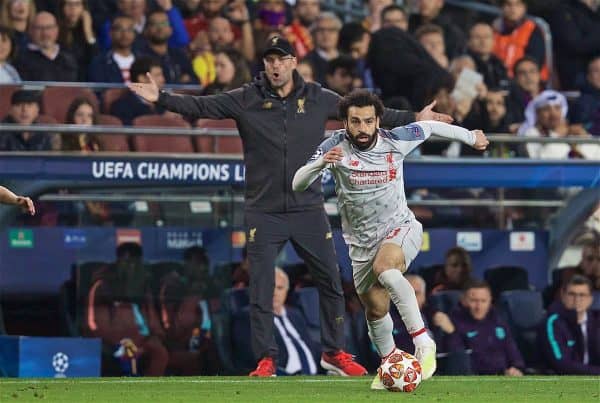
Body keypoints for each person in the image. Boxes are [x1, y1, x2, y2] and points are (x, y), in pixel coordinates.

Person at [128, 36, 452, 378]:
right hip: (263, 210)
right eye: (270, 60)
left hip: (307, 207)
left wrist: (415, 117)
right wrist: (161, 98)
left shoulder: (318, 97)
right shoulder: (245, 98)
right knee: (262, 285)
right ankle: (266, 359)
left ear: (294, 62)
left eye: (282, 59)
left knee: (330, 280)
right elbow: (203, 106)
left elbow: (364, 113)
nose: (276, 66)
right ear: (264, 65)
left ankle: (334, 353)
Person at [292, 89, 488, 389]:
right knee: (375, 309)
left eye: (368, 121)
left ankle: (423, 342)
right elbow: (297, 183)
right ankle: (391, 365)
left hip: (400, 228)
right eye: (355, 122)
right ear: (345, 122)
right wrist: (320, 164)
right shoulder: (334, 146)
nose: (362, 128)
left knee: (386, 268)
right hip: (360, 244)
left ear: (377, 120)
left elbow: (431, 126)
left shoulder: (396, 139)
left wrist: (471, 136)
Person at [84, 242, 169, 376]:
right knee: (128, 355)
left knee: (160, 352)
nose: (131, 267)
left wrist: (156, 337)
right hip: (117, 343)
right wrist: (123, 343)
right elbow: (94, 326)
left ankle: (150, 393)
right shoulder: (102, 287)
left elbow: (154, 322)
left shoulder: (143, 288)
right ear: (118, 262)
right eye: (127, 262)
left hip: (143, 343)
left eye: (135, 263)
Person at [232, 267, 320, 375]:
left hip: (316, 376)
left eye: (279, 288)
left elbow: (311, 346)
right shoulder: (248, 317)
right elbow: (250, 355)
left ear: (286, 292)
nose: (274, 293)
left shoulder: (295, 315)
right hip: (282, 378)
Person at [443, 280, 525, 376]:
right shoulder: (454, 321)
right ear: (463, 300)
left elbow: (511, 349)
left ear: (490, 300)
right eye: (474, 301)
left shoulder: (498, 319)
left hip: (504, 376)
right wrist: (452, 333)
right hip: (473, 378)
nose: (479, 306)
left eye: (483, 301)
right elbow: (457, 359)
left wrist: (516, 367)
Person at [538, 275, 600, 374]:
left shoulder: (597, 321)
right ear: (563, 295)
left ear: (590, 299)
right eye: (572, 294)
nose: (577, 300)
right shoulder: (552, 323)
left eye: (582, 295)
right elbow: (561, 363)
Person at [14, 11, 79, 81]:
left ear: (56, 30)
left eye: (49, 27)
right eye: (39, 28)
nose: (45, 33)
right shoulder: (21, 59)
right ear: (30, 30)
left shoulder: (69, 57)